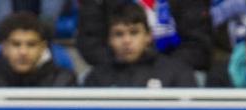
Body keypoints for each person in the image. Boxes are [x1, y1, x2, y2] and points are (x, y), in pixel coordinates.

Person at [76, 0, 212, 72]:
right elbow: (90, 43)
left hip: (173, 71)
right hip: (116, 68)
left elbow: (198, 45)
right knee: (88, 79)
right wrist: (122, 66)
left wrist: (161, 68)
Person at [84, 3, 196, 88]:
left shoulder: (176, 73)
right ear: (109, 39)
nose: (126, 40)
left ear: (148, 36)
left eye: (134, 32)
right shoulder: (96, 78)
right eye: (119, 34)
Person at [0, 12, 77, 87]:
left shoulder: (64, 81)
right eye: (16, 44)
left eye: (31, 45)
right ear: (4, 48)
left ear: (43, 48)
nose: (23, 52)